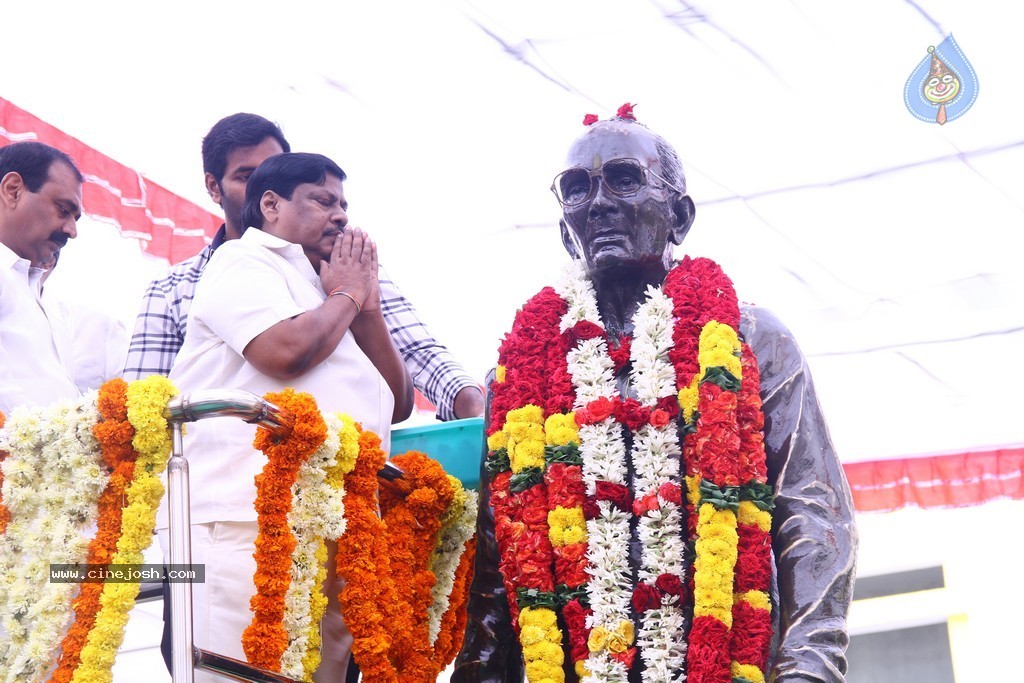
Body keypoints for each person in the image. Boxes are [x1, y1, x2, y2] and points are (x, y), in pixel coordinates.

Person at [453, 109, 857, 682]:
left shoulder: (752, 341)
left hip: (728, 658)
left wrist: (808, 668)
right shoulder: (521, 375)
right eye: (576, 189)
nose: (597, 203)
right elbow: (497, 563)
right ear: (564, 227)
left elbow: (816, 518)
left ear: (680, 217)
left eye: (623, 178)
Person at [158, 152, 412, 682]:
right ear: (270, 204)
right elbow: (282, 351)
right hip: (242, 524)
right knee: (237, 673)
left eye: (345, 204)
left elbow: (399, 399)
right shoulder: (244, 261)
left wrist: (364, 306)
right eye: (324, 200)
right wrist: (345, 293)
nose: (341, 215)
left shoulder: (328, 286)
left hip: (334, 524)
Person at [123, 112, 483, 420]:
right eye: (247, 176)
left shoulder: (346, 266)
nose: (339, 216)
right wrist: (345, 296)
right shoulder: (181, 285)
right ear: (214, 187)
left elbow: (412, 366)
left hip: (334, 480)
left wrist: (477, 411)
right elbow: (144, 409)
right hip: (235, 484)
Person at [0, 141, 83, 414]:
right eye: (63, 209)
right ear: (13, 191)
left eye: (75, 218)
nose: (71, 231)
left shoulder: (33, 290)